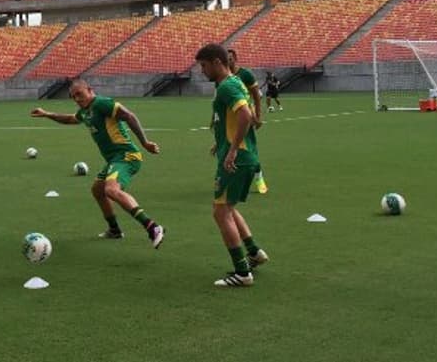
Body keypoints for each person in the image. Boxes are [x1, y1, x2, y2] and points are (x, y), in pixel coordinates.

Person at [31, 79, 165, 248]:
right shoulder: (85, 112)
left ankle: (152, 227)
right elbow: (70, 119)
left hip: (126, 155)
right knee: (97, 190)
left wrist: (145, 143)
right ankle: (114, 230)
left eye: (79, 94)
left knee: (111, 189)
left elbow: (129, 116)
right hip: (113, 160)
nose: (77, 99)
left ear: (90, 90)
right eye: (73, 97)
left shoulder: (101, 103)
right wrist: (47, 114)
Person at [195, 44, 269, 287]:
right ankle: (254, 253)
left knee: (221, 211)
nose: (202, 71)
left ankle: (242, 272)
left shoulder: (228, 85)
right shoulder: (232, 83)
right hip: (246, 156)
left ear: (217, 62)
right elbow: (230, 118)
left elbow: (245, 115)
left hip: (238, 159)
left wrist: (233, 149)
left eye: (203, 65)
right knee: (229, 207)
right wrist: (222, 142)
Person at [227, 48, 268, 195]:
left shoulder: (245, 74)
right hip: (229, 119)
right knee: (228, 149)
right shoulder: (223, 78)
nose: (228, 61)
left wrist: (257, 116)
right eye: (226, 59)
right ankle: (232, 181)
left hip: (245, 116)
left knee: (249, 150)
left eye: (230, 58)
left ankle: (259, 176)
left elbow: (256, 96)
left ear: (235, 58)